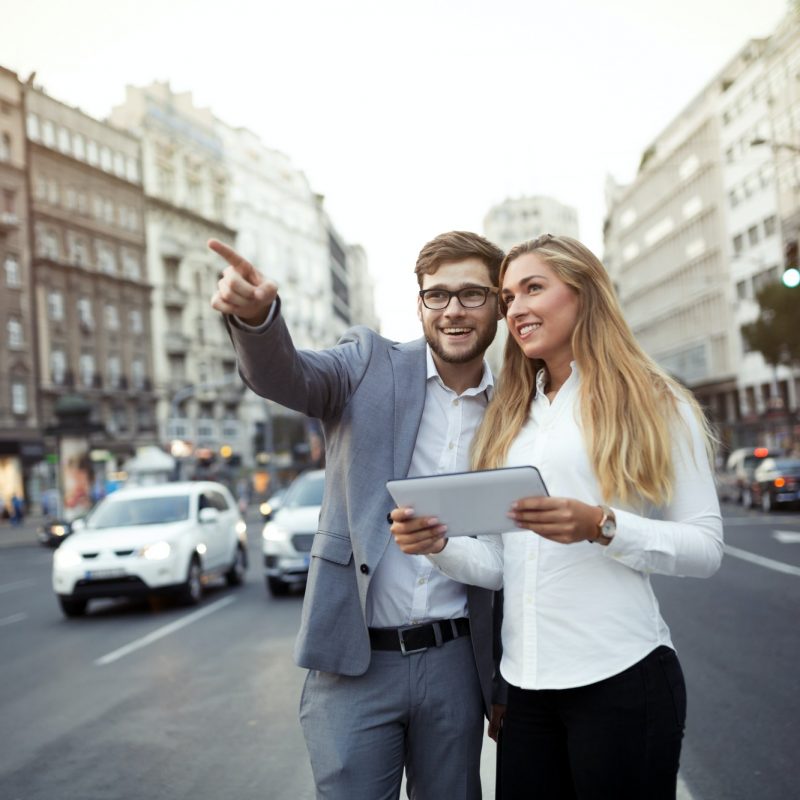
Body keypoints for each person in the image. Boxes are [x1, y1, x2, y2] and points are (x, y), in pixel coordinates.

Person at [390, 234, 724, 800]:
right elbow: (500, 564)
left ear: (583, 292)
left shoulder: (654, 400)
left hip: (621, 677)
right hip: (524, 694)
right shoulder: (509, 418)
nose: (516, 307)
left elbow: (706, 549)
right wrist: (437, 545)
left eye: (533, 288)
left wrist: (603, 525)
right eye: (508, 295)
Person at [210, 231, 505, 799]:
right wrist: (258, 319)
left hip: (456, 663)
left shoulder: (515, 403)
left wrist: (501, 686)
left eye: (472, 295)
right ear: (419, 303)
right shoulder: (368, 364)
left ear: (498, 304)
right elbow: (287, 375)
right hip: (355, 660)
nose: (453, 311)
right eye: (436, 295)